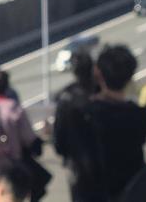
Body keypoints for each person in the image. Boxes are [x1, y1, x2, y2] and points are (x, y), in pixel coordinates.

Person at [65, 45, 146, 202]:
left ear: (97, 74)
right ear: (130, 77)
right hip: (133, 192)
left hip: (94, 194)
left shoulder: (83, 116)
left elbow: (66, 149)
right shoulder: (141, 116)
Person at [52, 51, 96, 198]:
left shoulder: (66, 98)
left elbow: (58, 138)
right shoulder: (100, 93)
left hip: (77, 164)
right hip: (104, 161)